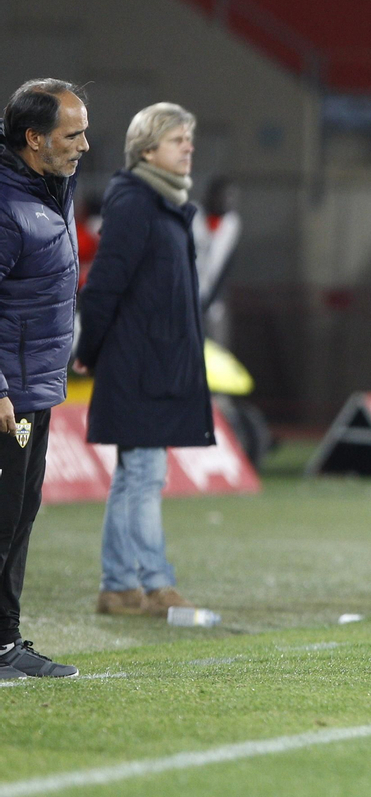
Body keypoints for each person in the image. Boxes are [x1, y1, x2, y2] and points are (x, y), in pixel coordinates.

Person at [76, 103, 215, 620]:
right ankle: (155, 584)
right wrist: (89, 350)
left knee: (135, 476)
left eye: (189, 139)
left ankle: (117, 586)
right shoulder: (136, 200)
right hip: (138, 364)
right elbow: (104, 284)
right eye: (179, 139)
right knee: (144, 475)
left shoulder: (163, 202)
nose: (189, 148)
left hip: (154, 363)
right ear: (148, 148)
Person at [0, 79, 90, 680]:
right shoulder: (8, 205)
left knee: (20, 514)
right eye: (73, 133)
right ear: (34, 138)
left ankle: (5, 644)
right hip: (10, 391)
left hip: (36, 385)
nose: (85, 143)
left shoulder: (51, 189)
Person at [192, 175, 240, 343]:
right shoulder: (192, 216)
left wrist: (211, 299)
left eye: (232, 197)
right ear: (211, 195)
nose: (228, 201)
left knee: (217, 347)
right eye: (224, 196)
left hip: (213, 302)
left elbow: (227, 266)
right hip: (187, 297)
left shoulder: (232, 224)